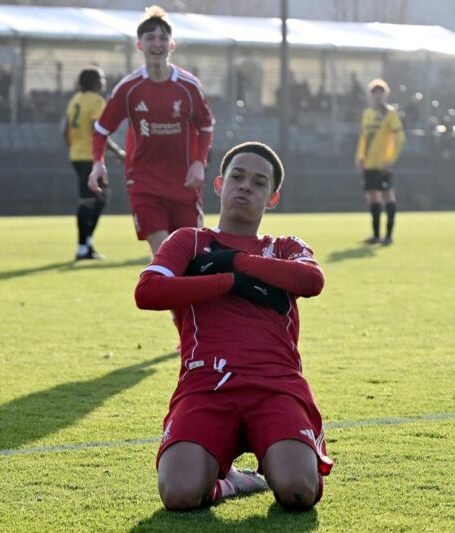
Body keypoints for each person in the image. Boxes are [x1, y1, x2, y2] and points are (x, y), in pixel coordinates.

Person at [134, 141, 333, 512]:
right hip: (206, 386)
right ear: (219, 185)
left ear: (272, 198)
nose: (246, 187)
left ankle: (272, 459)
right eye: (237, 177)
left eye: (259, 183)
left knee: (298, 490)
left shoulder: (285, 247)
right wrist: (227, 283)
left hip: (275, 386)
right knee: (179, 495)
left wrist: (235, 262)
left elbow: (312, 281)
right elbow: (148, 292)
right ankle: (227, 483)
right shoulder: (189, 241)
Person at [89, 5, 214, 257]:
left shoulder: (189, 86)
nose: (157, 43)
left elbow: (206, 126)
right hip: (144, 182)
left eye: (163, 38)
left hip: (184, 184)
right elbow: (101, 129)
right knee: (164, 251)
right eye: (150, 38)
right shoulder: (129, 88)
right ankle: (167, 294)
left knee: (192, 256)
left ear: (172, 45)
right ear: (139, 46)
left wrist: (200, 162)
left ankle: (182, 296)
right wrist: (97, 163)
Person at [63, 67, 124, 260]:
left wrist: (73, 149)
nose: (104, 82)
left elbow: (64, 130)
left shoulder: (75, 100)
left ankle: (86, 243)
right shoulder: (97, 101)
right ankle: (82, 248)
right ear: (95, 82)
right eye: (102, 79)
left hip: (77, 155)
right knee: (89, 200)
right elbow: (97, 131)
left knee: (101, 196)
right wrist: (118, 151)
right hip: (89, 157)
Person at [355, 78, 406, 246]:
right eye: (374, 93)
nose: (378, 96)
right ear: (370, 95)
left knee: (388, 196)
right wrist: (360, 158)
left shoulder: (390, 114)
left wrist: (391, 159)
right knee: (373, 197)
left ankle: (389, 236)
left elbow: (400, 138)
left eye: (380, 93)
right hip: (369, 164)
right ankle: (376, 235)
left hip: (383, 165)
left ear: (385, 95)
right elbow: (363, 138)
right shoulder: (367, 114)